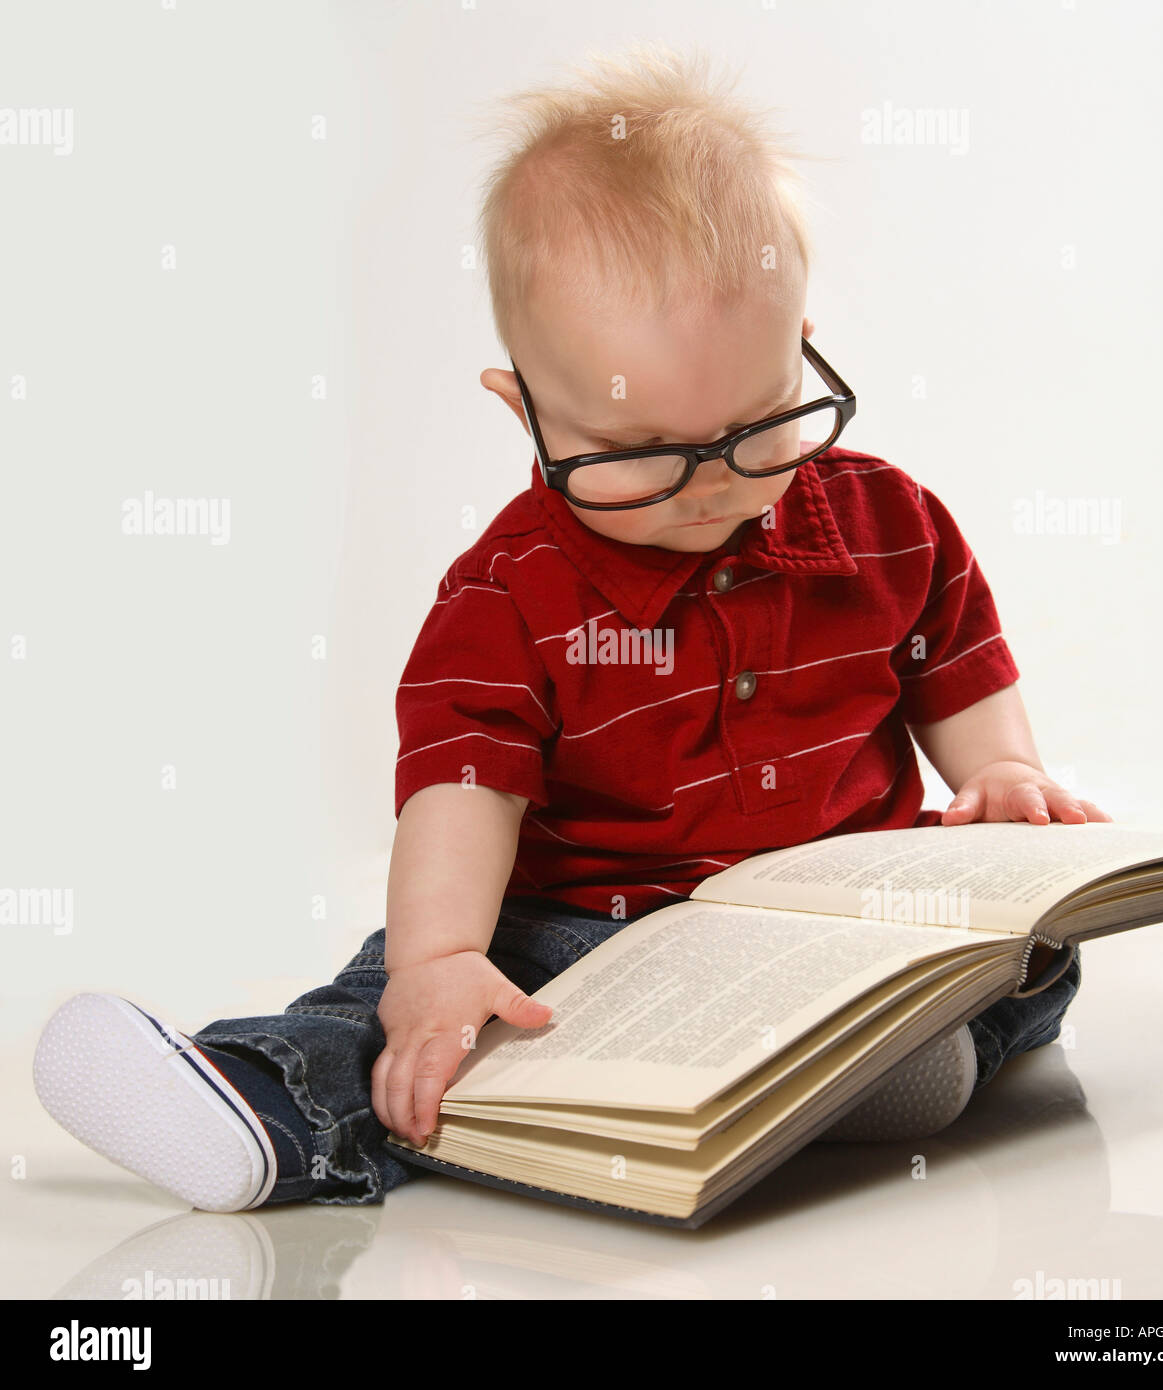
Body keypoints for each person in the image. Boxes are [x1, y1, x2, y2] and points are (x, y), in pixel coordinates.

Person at [33, 42, 1104, 1214]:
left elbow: (949, 660)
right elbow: (461, 791)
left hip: (836, 919)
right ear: (524, 409)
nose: (707, 486)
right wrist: (442, 961)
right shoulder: (509, 594)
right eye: (644, 456)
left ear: (800, 343)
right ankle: (260, 1102)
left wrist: (1001, 773)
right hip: (592, 931)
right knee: (419, 1010)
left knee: (1025, 962)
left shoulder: (888, 518)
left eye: (756, 429)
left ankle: (884, 1063)